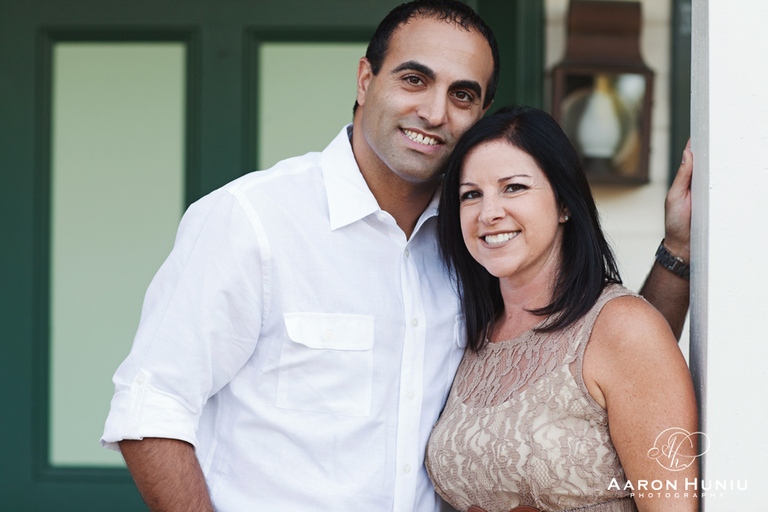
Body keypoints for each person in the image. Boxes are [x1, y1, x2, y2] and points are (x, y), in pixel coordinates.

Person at [101, 2, 693, 512]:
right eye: (414, 79)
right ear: (365, 79)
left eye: (462, 95)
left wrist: (677, 253)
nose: (435, 113)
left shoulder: (477, 250)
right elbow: (149, 410)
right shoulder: (252, 220)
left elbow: (599, 361)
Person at [425, 106, 697, 512]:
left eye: (514, 187)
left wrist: (678, 247)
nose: (489, 212)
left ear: (565, 203)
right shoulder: (470, 331)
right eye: (471, 194)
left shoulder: (623, 326)